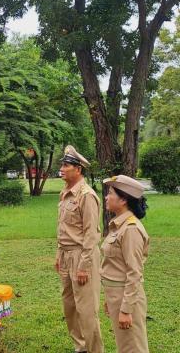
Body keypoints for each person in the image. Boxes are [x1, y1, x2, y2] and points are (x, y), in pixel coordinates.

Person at [55, 145, 104, 353]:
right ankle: (80, 347)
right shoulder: (65, 193)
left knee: (86, 311)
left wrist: (83, 266)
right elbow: (63, 228)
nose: (62, 168)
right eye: (62, 165)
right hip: (66, 255)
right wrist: (59, 254)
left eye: (66, 165)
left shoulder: (87, 195)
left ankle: (94, 350)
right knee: (70, 308)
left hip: (82, 256)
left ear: (78, 170)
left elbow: (91, 234)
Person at [101, 175, 150, 353]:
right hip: (117, 295)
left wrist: (126, 309)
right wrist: (111, 300)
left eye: (111, 193)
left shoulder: (131, 229)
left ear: (123, 200)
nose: (106, 197)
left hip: (126, 297)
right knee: (125, 346)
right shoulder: (119, 226)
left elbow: (134, 273)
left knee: (133, 348)